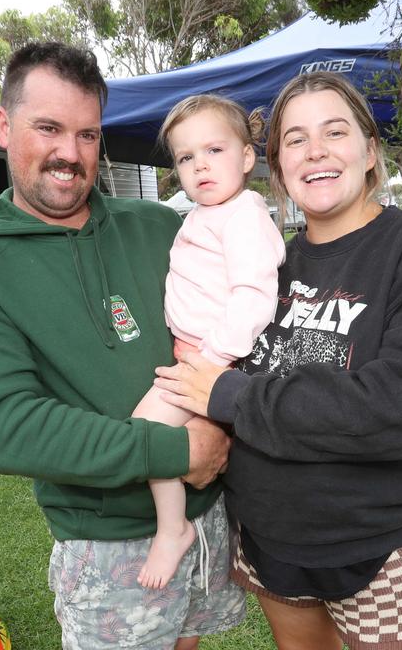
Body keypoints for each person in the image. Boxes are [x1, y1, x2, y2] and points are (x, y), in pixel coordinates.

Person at [0, 42, 245, 650]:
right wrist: (178, 451)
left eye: (88, 135)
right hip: (108, 544)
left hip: (208, 519)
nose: (69, 154)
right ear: (3, 125)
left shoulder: (160, 227)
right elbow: (12, 429)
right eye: (48, 128)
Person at [155, 71, 402, 650]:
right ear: (276, 166)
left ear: (370, 150)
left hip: (384, 541)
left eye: (335, 131)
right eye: (296, 139)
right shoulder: (267, 263)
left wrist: (229, 396)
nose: (317, 151)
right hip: (271, 535)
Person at [133, 95, 285, 590]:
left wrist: (212, 360)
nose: (199, 165)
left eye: (214, 150)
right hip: (197, 353)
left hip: (215, 359)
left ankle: (172, 529)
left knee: (147, 432)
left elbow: (253, 296)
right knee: (171, 441)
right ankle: (180, 525)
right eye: (185, 157)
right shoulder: (203, 215)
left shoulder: (244, 215)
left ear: (246, 158)